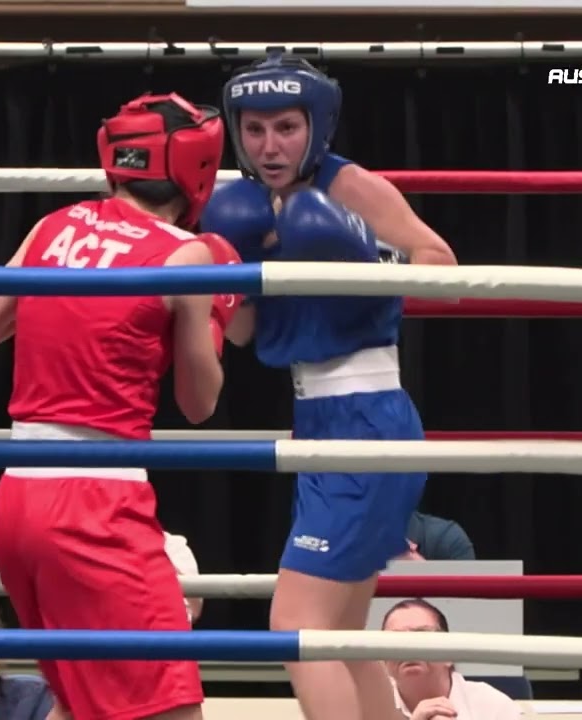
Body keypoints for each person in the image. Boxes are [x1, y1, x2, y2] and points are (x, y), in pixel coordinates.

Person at [0, 91, 240, 720]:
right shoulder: (186, 256)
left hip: (17, 502)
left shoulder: (53, 226)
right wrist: (214, 309)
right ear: (197, 166)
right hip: (95, 504)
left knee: (82, 701)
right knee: (170, 707)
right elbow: (199, 402)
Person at [199, 51, 457, 720]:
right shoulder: (242, 206)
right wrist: (234, 271)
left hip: (368, 418)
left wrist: (364, 253)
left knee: (297, 630)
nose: (269, 145)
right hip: (319, 419)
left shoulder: (352, 189)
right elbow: (246, 334)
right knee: (339, 640)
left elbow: (443, 265)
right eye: (253, 130)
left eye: (285, 127)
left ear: (317, 124)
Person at [381, 599, 520, 720]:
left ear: (449, 653)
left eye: (421, 636)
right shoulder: (370, 705)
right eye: (396, 640)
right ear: (384, 661)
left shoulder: (492, 706)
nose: (409, 648)